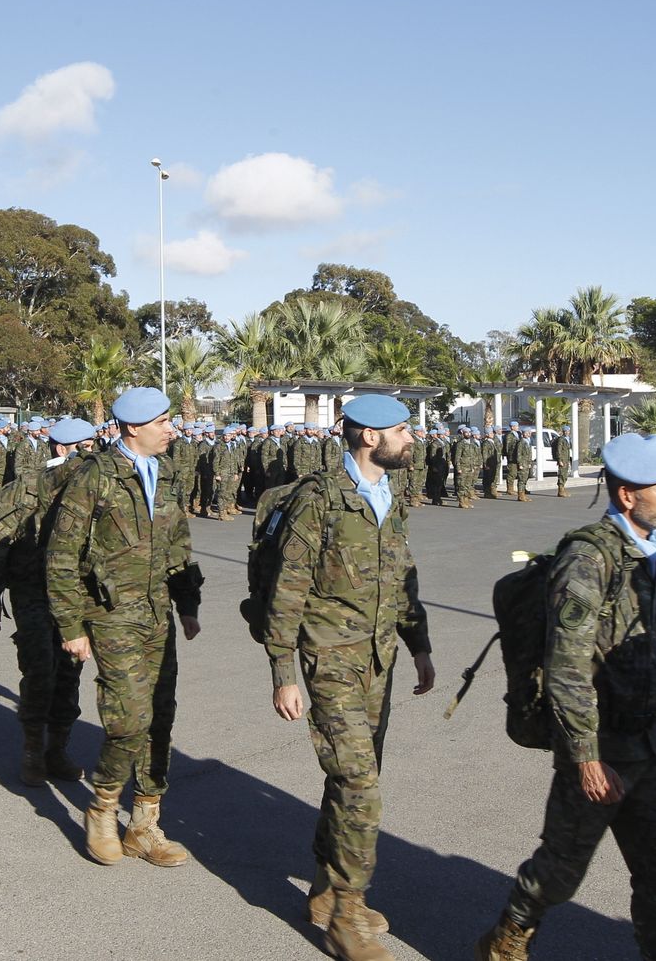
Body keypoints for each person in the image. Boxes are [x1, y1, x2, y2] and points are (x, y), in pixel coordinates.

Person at [477, 432, 656, 961]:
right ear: (627, 496)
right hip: (600, 741)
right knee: (561, 868)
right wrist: (585, 756)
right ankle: (506, 942)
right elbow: (566, 666)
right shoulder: (587, 561)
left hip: (647, 738)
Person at [265, 394, 434, 961]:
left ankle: (324, 886)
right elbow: (287, 588)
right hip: (329, 658)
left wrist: (421, 648)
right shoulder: (319, 500)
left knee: (350, 779)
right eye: (403, 431)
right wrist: (283, 672)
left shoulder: (392, 496)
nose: (412, 439)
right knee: (360, 783)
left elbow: (402, 580)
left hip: (378, 659)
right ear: (369, 438)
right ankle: (346, 914)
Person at [45, 387, 203, 867]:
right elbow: (60, 558)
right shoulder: (92, 477)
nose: (171, 429)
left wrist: (188, 603)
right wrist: (71, 626)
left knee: (160, 716)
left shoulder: (168, 474)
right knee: (127, 719)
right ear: (134, 427)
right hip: (111, 615)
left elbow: (178, 544)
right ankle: (102, 807)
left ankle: (144, 824)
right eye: (162, 421)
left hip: (158, 614)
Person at [0, 416, 94, 786]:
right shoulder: (23, 489)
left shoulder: (95, 486)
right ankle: (32, 751)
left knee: (69, 673)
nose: (94, 454)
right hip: (32, 591)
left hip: (76, 595)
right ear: (62, 449)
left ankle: (57, 749)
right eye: (86, 447)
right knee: (40, 669)